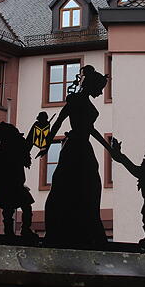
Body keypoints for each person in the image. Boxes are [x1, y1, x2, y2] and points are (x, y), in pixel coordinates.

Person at [36, 65, 114, 248]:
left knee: (86, 188)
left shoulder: (81, 102)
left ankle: (84, 228)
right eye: (100, 89)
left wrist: (109, 148)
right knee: (77, 187)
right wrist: (46, 145)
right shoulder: (76, 101)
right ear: (93, 86)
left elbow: (90, 130)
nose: (101, 93)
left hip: (81, 148)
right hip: (76, 149)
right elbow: (58, 123)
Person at [0, 121, 38, 239]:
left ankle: (18, 230)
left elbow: (28, 144)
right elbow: (28, 144)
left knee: (17, 209)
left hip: (13, 187)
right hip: (9, 187)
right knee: (15, 209)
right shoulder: (4, 154)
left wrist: (35, 127)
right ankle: (17, 231)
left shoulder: (11, 152)